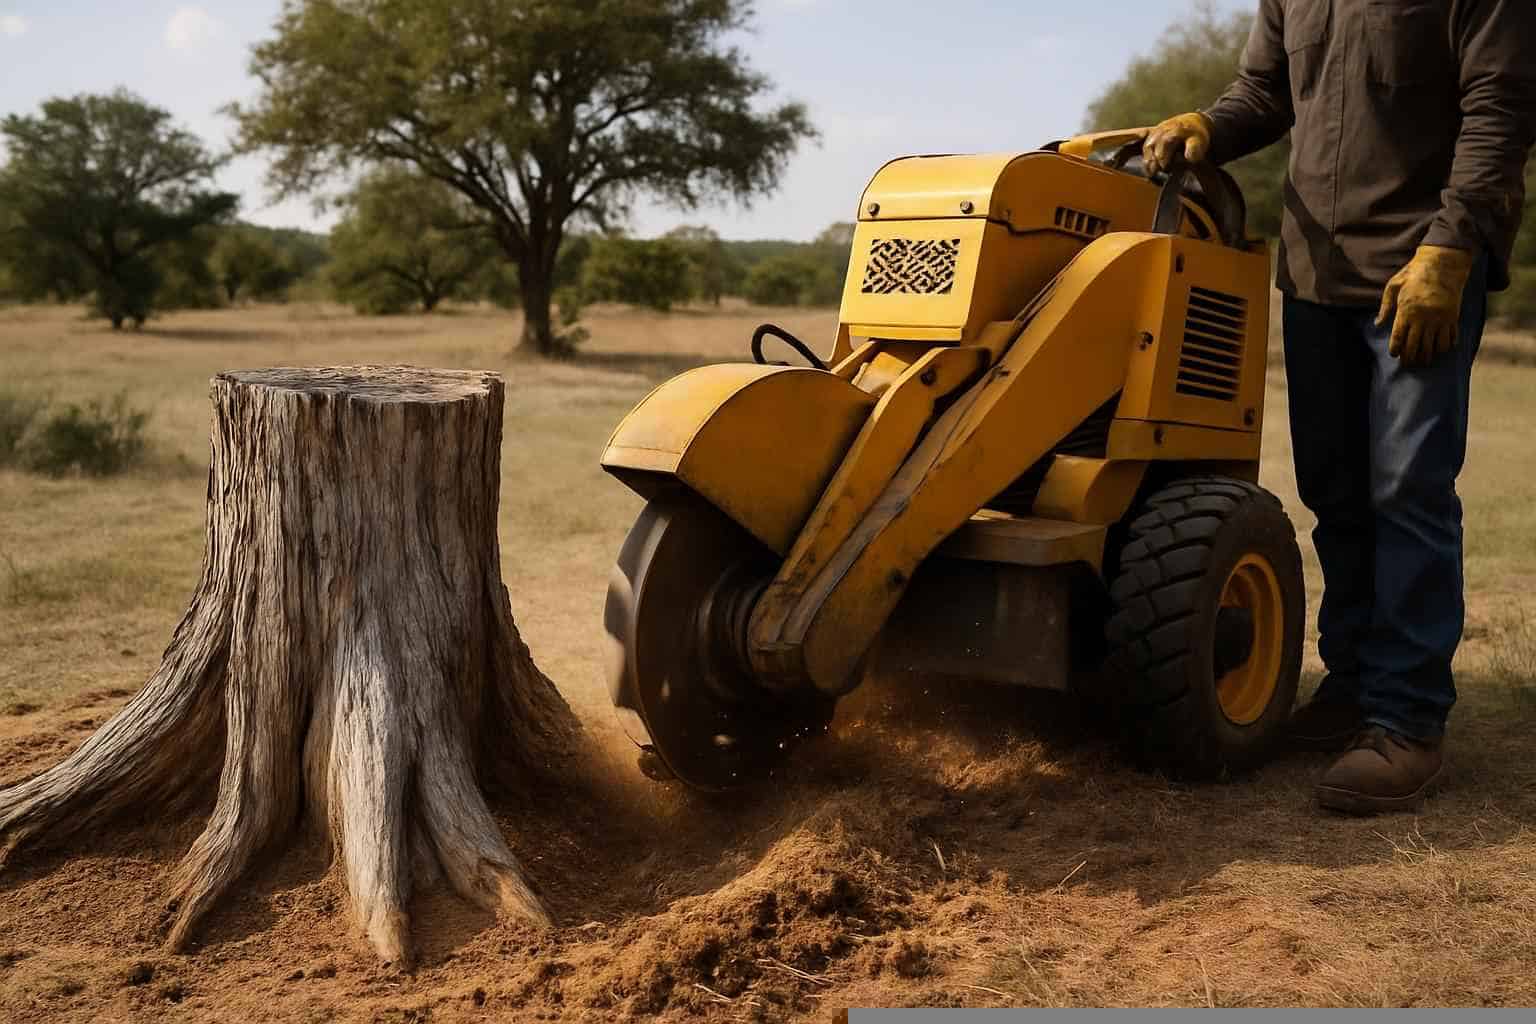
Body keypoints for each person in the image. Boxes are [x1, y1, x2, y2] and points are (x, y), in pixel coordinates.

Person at [1142, 0, 1536, 814]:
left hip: (1416, 270)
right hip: (1315, 275)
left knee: (1408, 489)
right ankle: (1354, 685)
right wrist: (1207, 127)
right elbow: (1264, 92)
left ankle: (1407, 721)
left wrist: (1454, 246)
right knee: (1334, 487)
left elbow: (1503, 106)